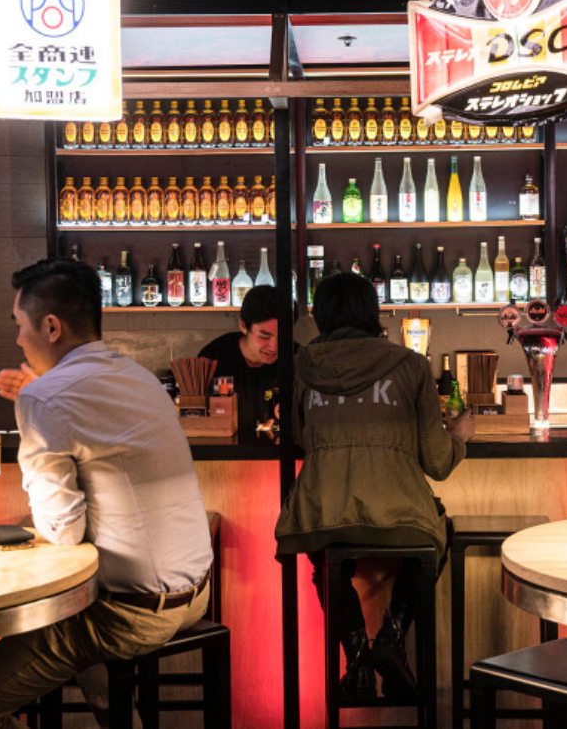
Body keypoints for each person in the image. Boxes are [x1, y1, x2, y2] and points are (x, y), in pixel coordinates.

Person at [0, 258, 213, 729]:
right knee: (71, 615)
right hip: (195, 595)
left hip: (128, 615)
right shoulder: (140, 377)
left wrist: (37, 403)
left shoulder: (44, 397)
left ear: (51, 327)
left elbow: (64, 531)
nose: (18, 339)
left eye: (20, 324)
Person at [274, 272, 474, 701]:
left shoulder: (304, 367)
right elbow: (437, 463)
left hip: (322, 510)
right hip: (400, 512)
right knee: (436, 534)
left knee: (326, 556)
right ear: (372, 312)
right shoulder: (411, 365)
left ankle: (358, 661)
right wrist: (459, 436)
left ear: (320, 315)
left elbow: (297, 437)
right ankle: (391, 637)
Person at [198, 284, 288, 442]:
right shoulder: (213, 359)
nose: (274, 347)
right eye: (264, 337)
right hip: (226, 453)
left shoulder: (295, 357)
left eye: (283, 336)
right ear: (243, 326)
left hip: (281, 454)